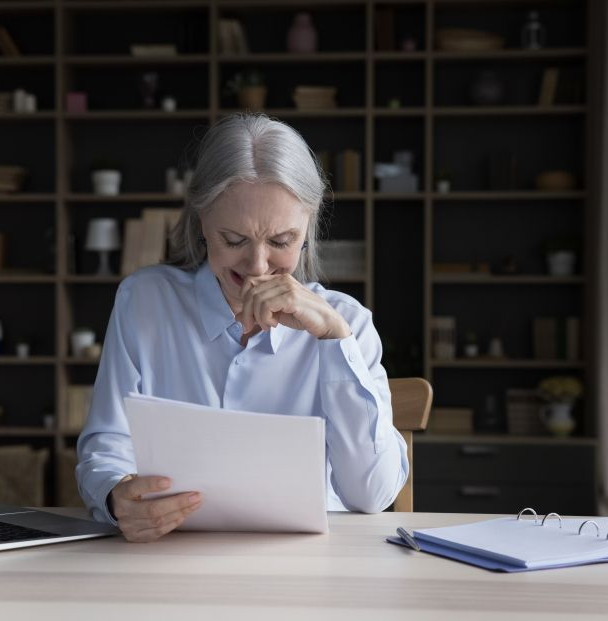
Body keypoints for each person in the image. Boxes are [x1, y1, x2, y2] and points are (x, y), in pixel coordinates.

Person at [76, 113, 408, 542]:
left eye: (281, 241)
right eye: (234, 240)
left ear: (308, 225)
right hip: (175, 558)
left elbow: (372, 495)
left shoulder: (349, 324)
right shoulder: (145, 302)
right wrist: (115, 497)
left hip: (313, 570)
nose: (257, 266)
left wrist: (334, 341)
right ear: (201, 223)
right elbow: (106, 448)